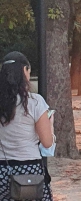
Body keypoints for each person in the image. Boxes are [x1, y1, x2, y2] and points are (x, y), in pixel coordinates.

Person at [0, 51, 53, 200]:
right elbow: (47, 142)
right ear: (25, 70)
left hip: (2, 169)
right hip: (29, 170)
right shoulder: (35, 101)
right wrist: (51, 124)